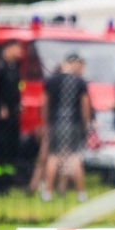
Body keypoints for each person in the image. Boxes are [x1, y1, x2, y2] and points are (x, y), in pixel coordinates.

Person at [40, 53, 92, 203]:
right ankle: (81, 194)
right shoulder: (79, 82)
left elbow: (44, 103)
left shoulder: (51, 81)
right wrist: (85, 124)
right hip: (73, 123)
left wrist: (46, 122)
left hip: (56, 122)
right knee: (74, 156)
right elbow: (85, 106)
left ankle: (47, 193)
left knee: (53, 156)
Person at [0, 39, 24, 194]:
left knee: (12, 147)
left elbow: (16, 89)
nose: (20, 53)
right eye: (18, 49)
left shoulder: (15, 67)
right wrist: (0, 107)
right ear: (8, 49)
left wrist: (18, 104)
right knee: (1, 147)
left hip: (13, 114)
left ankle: (8, 182)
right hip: (2, 117)